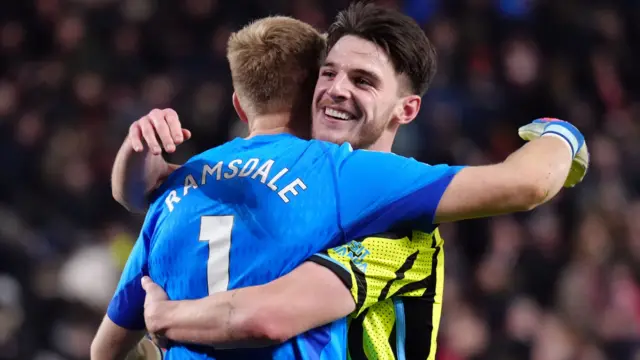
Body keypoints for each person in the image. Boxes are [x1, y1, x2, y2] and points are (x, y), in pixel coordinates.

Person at [93, 4, 588, 360]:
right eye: (328, 73)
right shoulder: (329, 183)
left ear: (407, 109)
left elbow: (109, 348)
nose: (336, 90)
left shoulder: (394, 224)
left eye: (363, 81)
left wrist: (167, 324)